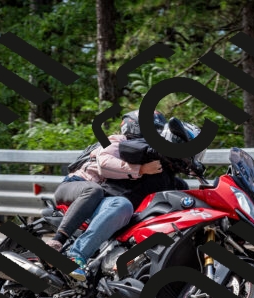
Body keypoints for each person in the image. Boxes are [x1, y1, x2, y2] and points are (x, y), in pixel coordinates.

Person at [62, 117, 202, 282]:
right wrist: (154, 155)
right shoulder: (146, 151)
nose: (190, 156)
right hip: (106, 205)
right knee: (122, 205)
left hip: (130, 222)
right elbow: (127, 149)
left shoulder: (177, 183)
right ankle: (76, 255)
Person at [45, 111, 167, 261]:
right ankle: (59, 242)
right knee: (93, 190)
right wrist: (140, 170)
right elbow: (103, 163)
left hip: (97, 198)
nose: (155, 133)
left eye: (158, 130)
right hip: (74, 185)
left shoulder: (144, 151)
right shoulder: (117, 141)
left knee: (124, 206)